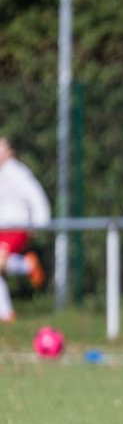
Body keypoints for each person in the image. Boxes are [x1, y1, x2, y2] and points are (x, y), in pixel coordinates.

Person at [0, 137, 50, 323]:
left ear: (10, 151)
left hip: (16, 226)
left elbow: (35, 195)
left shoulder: (17, 172)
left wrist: (39, 222)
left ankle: (27, 266)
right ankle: (5, 313)